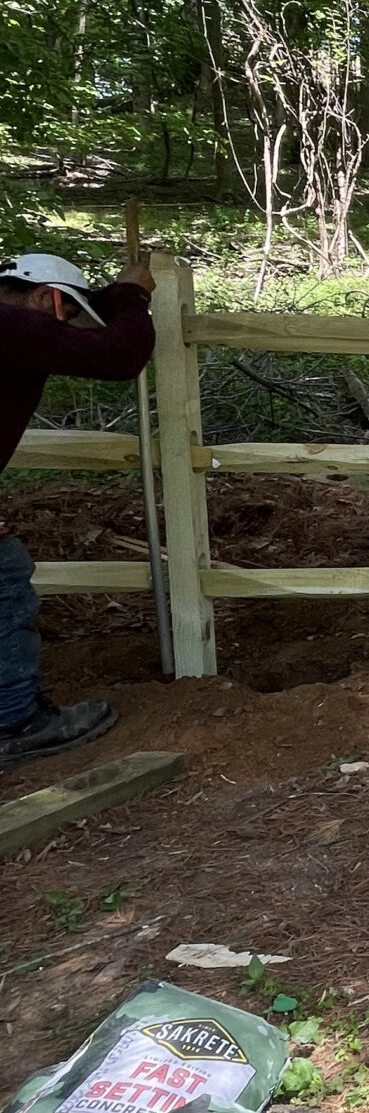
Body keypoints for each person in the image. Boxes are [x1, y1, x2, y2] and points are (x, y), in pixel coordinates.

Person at [0, 248, 157, 766]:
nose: (66, 329)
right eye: (65, 313)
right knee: (5, 579)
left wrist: (121, 289)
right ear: (45, 298)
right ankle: (17, 723)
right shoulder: (15, 325)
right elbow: (117, 357)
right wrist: (133, 298)